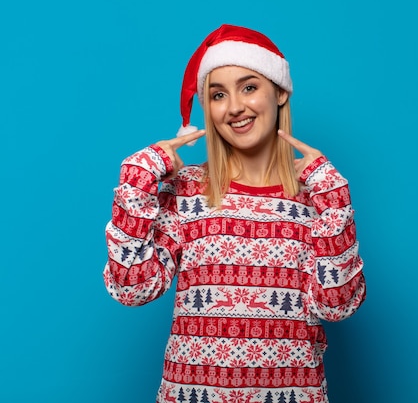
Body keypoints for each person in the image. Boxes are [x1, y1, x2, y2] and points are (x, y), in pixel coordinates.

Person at [103, 24, 366, 403]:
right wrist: (137, 179)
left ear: (278, 92)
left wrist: (335, 201)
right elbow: (132, 288)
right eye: (218, 94)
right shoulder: (187, 191)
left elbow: (337, 305)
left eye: (249, 87)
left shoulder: (316, 198)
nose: (235, 107)